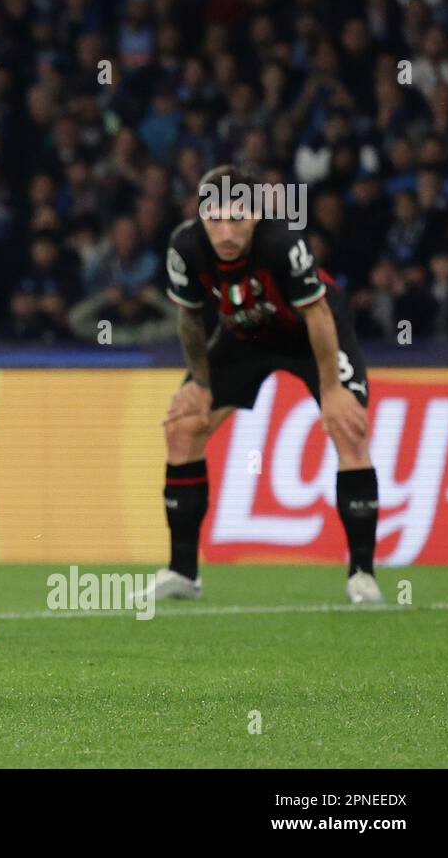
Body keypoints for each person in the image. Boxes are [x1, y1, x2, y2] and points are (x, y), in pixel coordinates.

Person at [152, 164, 382, 605]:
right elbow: (190, 317)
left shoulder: (282, 242)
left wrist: (332, 390)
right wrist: (200, 383)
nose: (225, 230)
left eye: (237, 217)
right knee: (183, 428)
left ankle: (362, 575)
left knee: (349, 428)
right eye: (214, 217)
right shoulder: (185, 245)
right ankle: (183, 572)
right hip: (244, 336)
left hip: (310, 336)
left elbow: (317, 315)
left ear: (257, 214)